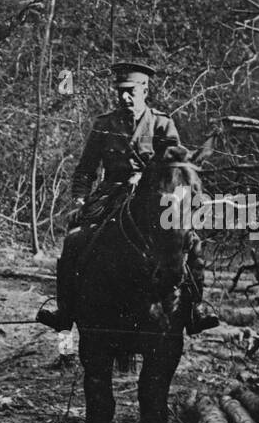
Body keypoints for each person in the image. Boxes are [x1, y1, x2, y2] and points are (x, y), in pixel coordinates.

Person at [36, 61, 218, 335]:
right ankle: (65, 310)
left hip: (153, 197)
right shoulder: (104, 124)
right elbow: (85, 170)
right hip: (110, 194)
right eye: (120, 90)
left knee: (191, 242)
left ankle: (195, 310)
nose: (124, 97)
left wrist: (152, 182)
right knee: (74, 239)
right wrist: (79, 201)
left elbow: (176, 168)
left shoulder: (161, 123)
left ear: (145, 90)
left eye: (131, 90)